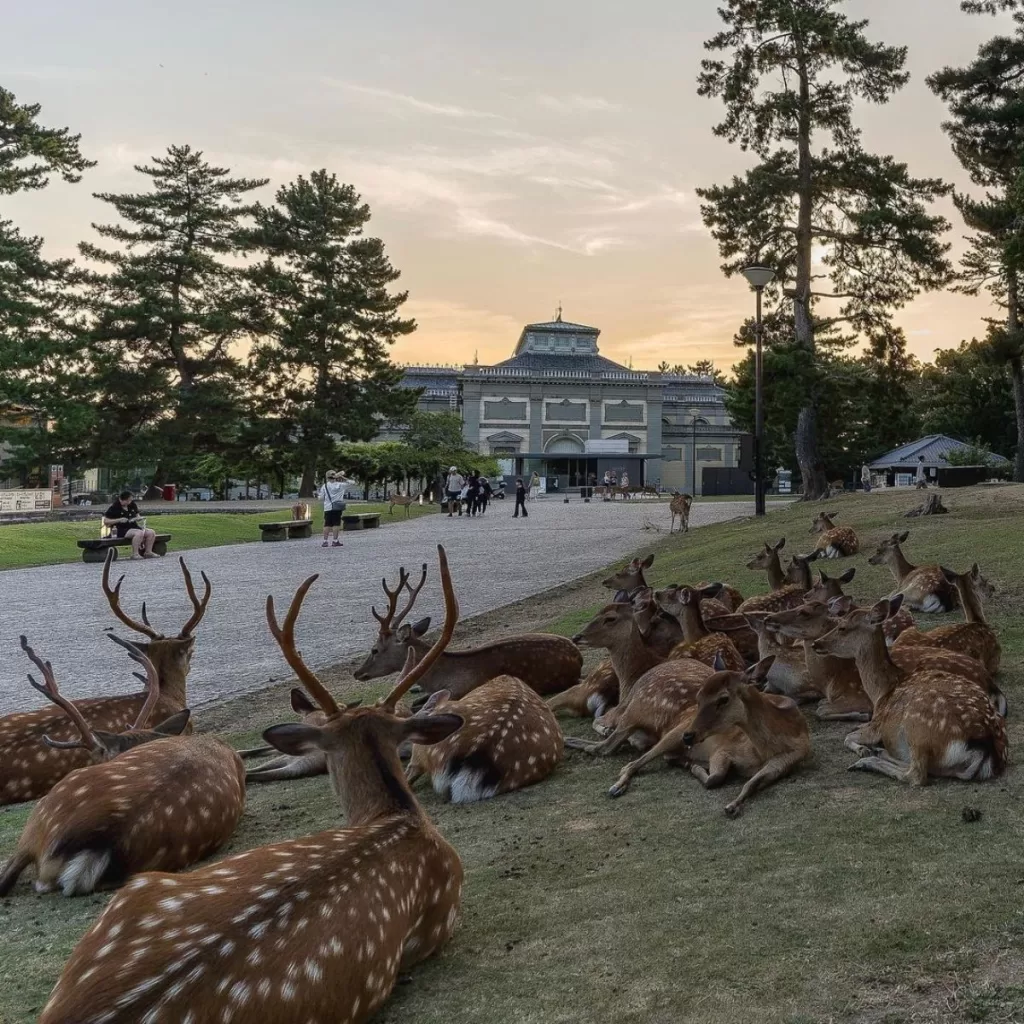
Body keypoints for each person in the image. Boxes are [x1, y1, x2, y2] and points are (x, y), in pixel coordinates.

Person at [103, 490, 159, 559]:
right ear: (121, 499)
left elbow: (137, 515)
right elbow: (106, 521)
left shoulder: (132, 505)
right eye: (127, 501)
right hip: (120, 529)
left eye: (130, 500)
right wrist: (119, 520)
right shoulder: (114, 507)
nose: (129, 502)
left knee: (151, 532)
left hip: (133, 526)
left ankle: (148, 552)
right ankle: (135, 554)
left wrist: (138, 518)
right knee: (139, 533)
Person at [318, 470, 346, 547]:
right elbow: (352, 483)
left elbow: (321, 498)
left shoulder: (325, 486)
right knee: (336, 524)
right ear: (336, 476)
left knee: (327, 524)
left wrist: (319, 496)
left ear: (327, 477)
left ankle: (325, 541)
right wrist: (342, 477)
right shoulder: (341, 485)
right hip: (337, 507)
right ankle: (335, 540)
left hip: (327, 507)